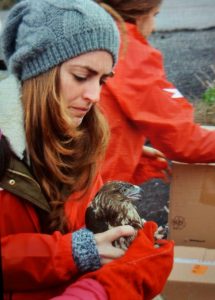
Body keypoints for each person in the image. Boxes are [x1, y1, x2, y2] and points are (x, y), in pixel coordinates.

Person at [0, 0, 173, 299]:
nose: (94, 95)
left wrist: (123, 234)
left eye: (103, 80)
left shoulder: (83, 136)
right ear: (37, 69)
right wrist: (74, 252)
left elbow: (86, 221)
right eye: (82, 76)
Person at [96, 0, 215, 185]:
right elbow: (185, 141)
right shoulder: (128, 50)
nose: (154, 26)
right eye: (154, 15)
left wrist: (131, 150)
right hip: (91, 197)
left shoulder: (90, 37)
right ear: (140, 14)